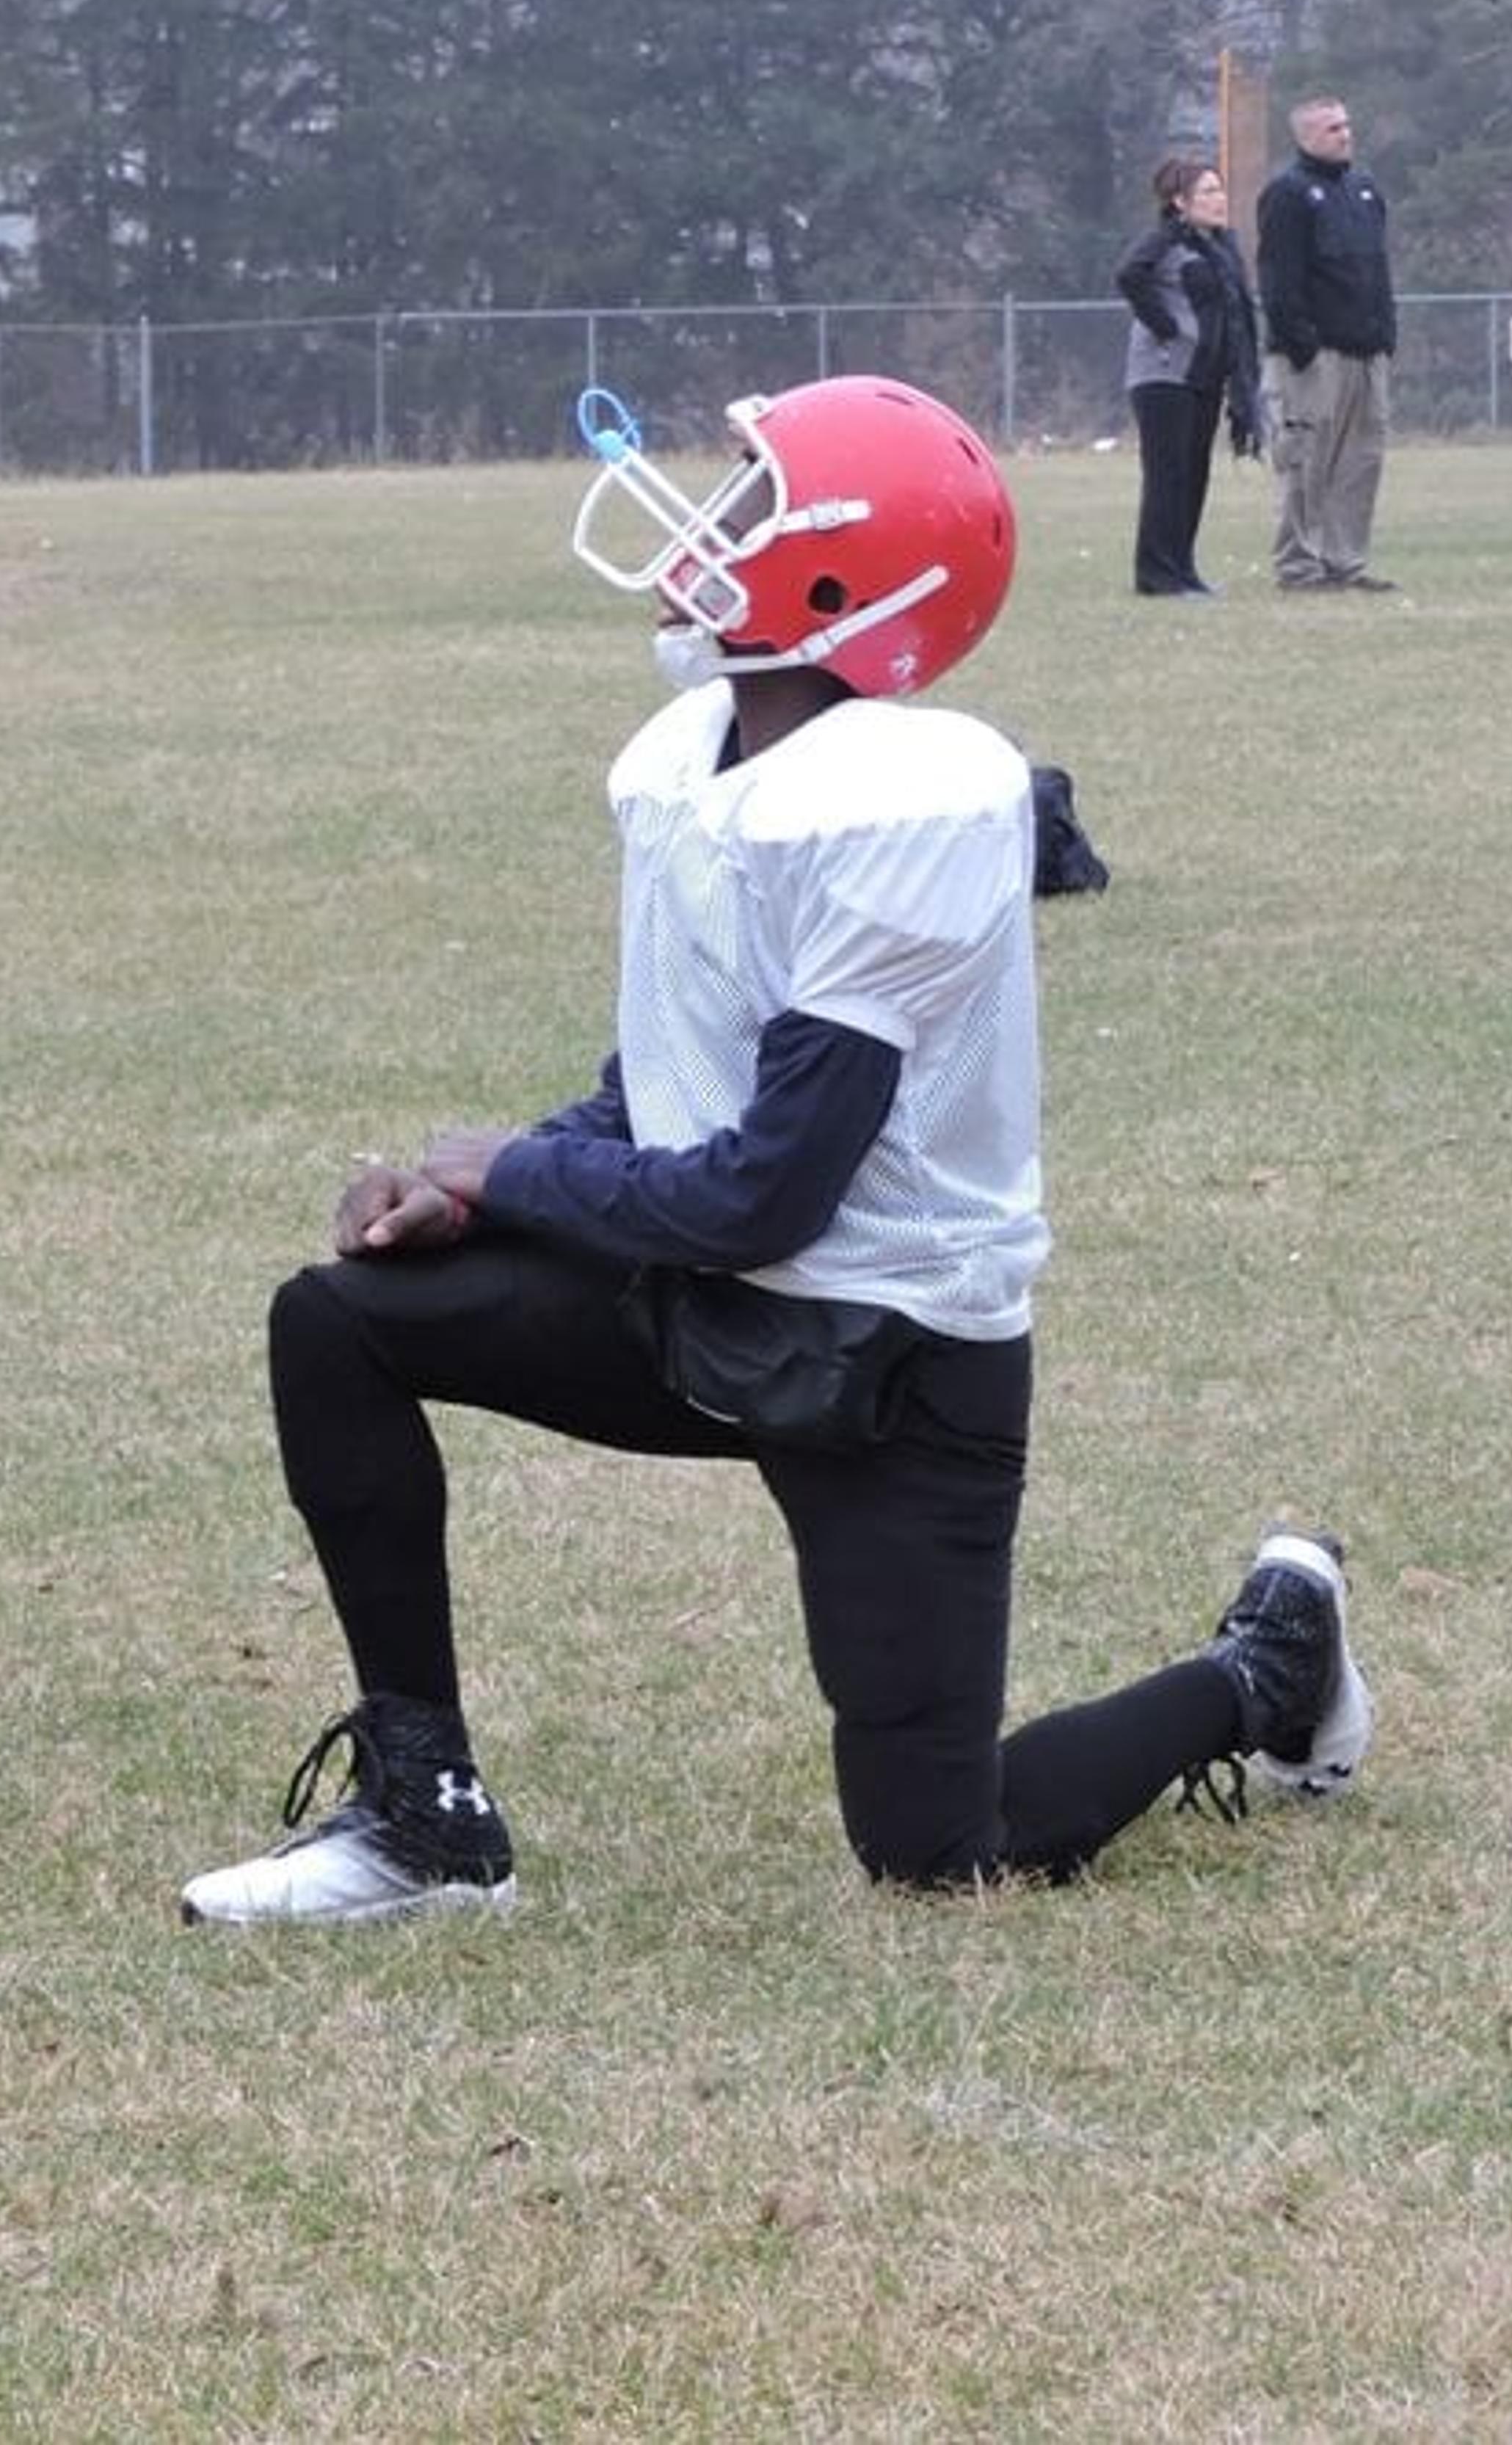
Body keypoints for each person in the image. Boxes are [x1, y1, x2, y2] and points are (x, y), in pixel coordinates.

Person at [179, 376, 1371, 1925]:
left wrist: (513, 1176)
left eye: (749, 495)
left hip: (885, 1363)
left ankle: (1268, 1664)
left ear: (843, 569)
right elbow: (670, 1077)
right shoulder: (695, 759)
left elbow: (764, 1193)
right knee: (337, 1319)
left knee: (942, 1848)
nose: (704, 516)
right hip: (697, 1313)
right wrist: (489, 1178)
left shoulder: (899, 802)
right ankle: (428, 1819)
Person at [1254, 94, 1397, 591]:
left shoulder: (1363, 191)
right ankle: (1299, 566)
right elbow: (1278, 278)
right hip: (1314, 358)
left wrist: (1386, 338)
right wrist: (1303, 346)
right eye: (1333, 128)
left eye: (1347, 125)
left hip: (1367, 352)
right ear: (1306, 137)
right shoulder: (1288, 194)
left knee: (1361, 460)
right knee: (1306, 459)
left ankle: (1345, 562)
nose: (1345, 135)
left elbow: (1379, 269)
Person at [1115, 156, 1262, 597]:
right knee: (1169, 474)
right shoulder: (1164, 243)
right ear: (1180, 202)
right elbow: (1128, 276)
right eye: (1208, 192)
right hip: (1164, 377)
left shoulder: (1219, 249)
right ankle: (1156, 574)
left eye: (1220, 190)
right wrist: (1165, 326)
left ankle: (1182, 570)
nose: (1220, 200)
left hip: (1203, 376)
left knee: (1194, 474)